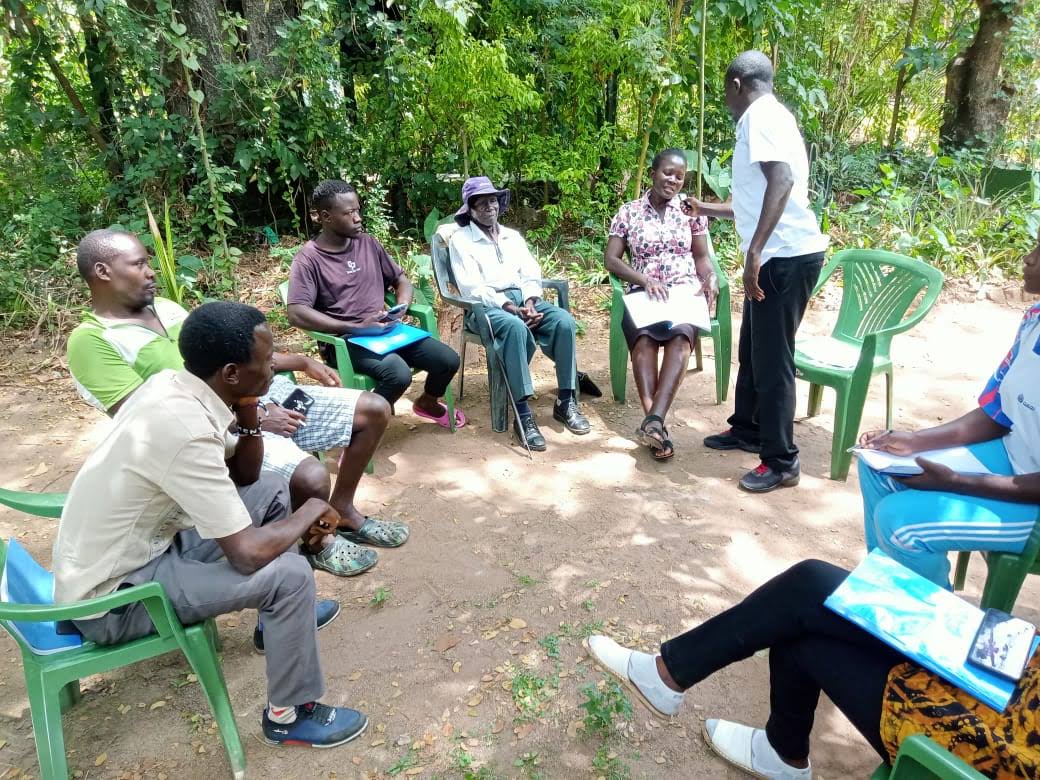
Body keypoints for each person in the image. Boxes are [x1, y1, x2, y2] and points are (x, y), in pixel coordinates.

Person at [54, 302, 370, 749]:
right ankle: (289, 715)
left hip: (141, 548)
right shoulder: (184, 430)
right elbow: (246, 554)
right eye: (267, 359)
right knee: (290, 575)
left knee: (272, 490)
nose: (275, 365)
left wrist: (249, 410)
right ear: (231, 372)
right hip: (115, 597)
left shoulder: (177, 386)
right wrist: (312, 509)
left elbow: (244, 476)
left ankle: (273, 625)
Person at [67, 229, 402, 580]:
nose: (150, 272)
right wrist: (255, 416)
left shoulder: (165, 307)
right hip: (223, 426)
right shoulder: (91, 341)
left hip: (263, 395)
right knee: (312, 477)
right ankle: (318, 541)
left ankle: (344, 507)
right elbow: (149, 421)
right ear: (103, 272)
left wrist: (300, 361)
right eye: (138, 265)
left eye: (149, 263)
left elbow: (235, 355)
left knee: (374, 409)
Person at [585, 559, 1040, 778]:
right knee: (813, 586)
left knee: (801, 627)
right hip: (1012, 660)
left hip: (1006, 736)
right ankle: (779, 751)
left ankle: (670, 677)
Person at [857, 227, 1040, 587]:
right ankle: (886, 600)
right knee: (878, 468)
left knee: (901, 524)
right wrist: (916, 441)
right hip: (1012, 459)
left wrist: (957, 482)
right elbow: (996, 413)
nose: (1029, 258)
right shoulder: (1034, 319)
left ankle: (930, 632)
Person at [693, 51, 829, 492]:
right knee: (753, 350)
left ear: (736, 85)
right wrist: (706, 209)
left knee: (773, 361)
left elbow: (782, 183)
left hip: (783, 257)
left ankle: (781, 461)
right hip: (779, 254)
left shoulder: (759, 117)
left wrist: (755, 251)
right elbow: (756, 200)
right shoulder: (774, 118)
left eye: (726, 93)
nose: (727, 102)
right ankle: (748, 429)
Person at [286, 179, 467, 430]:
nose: (358, 218)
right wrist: (358, 327)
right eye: (349, 213)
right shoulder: (309, 258)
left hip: (387, 331)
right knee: (398, 374)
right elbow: (296, 313)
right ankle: (358, 432)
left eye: (358, 210)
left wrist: (402, 305)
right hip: (347, 341)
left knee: (447, 360)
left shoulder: (368, 243)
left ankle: (427, 402)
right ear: (326, 217)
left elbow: (401, 280)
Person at [447, 176, 590, 451]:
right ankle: (523, 415)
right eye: (481, 202)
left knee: (563, 321)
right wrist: (509, 306)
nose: (490, 207)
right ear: (470, 208)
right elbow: (471, 287)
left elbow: (530, 272)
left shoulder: (512, 236)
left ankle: (566, 400)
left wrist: (531, 302)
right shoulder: (461, 240)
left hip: (523, 301)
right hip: (486, 308)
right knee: (514, 328)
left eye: (493, 201)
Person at [605, 148, 718, 460]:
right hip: (644, 293)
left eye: (680, 177)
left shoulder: (692, 212)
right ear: (654, 172)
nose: (673, 180)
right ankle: (655, 424)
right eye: (668, 172)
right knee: (644, 341)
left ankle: (653, 422)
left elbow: (701, 258)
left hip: (683, 291)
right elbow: (611, 259)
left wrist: (710, 278)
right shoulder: (628, 212)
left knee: (682, 338)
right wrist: (643, 280)